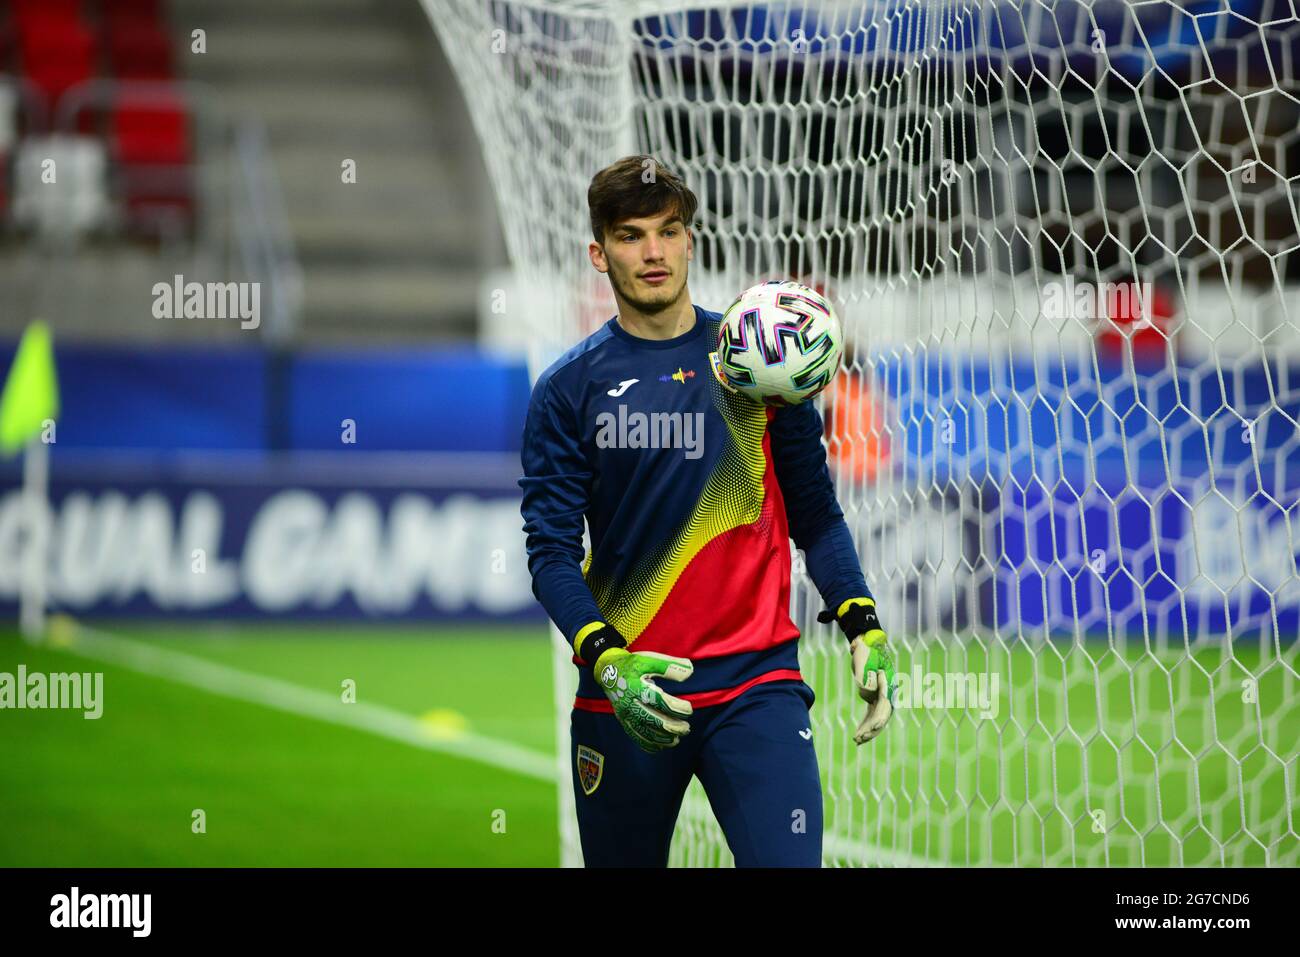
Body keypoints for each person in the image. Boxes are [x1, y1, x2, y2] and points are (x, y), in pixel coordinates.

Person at [519, 154, 897, 867]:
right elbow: (549, 552)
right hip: (626, 692)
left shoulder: (760, 358)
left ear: (691, 239)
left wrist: (862, 621)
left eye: (668, 231)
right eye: (631, 236)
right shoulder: (568, 390)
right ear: (599, 253)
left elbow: (815, 515)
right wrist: (606, 659)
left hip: (758, 687)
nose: (654, 252)